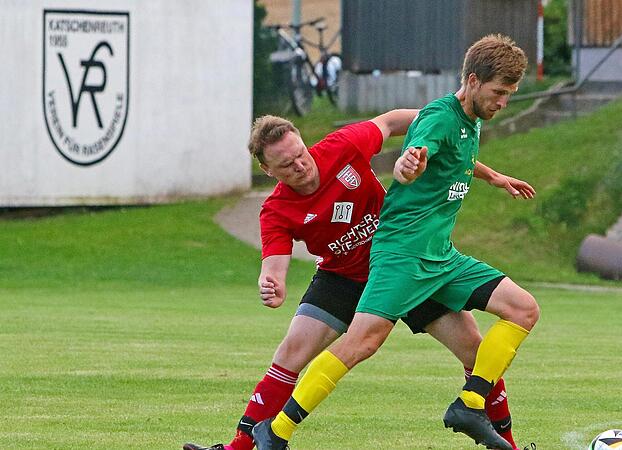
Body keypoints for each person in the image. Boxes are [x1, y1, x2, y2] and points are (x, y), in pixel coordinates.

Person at [184, 103, 534, 450]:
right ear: (267, 169)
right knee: (290, 352)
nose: (300, 166)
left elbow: (396, 120)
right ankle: (240, 447)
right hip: (343, 278)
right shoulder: (276, 210)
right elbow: (274, 267)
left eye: (301, 154)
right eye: (286, 165)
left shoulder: (343, 145)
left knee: (476, 353)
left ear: (305, 142)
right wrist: (271, 285)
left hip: (404, 265)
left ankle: (507, 445)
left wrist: (440, 124)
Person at [253, 34, 539, 450]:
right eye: (498, 93)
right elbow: (415, 155)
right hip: (402, 253)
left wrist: (494, 176)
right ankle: (274, 431)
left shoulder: (469, 120)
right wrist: (408, 165)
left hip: (439, 256)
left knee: (522, 310)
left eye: (509, 95)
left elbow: (452, 157)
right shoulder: (440, 118)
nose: (503, 103)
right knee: (361, 344)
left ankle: (471, 405)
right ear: (473, 81)